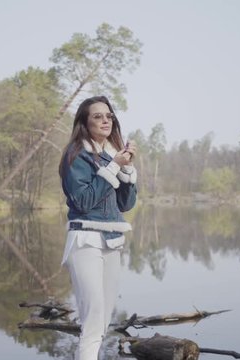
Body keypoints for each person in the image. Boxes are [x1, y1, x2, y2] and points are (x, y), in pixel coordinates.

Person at [58, 95, 138, 360]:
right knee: (92, 320)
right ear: (84, 122)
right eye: (97, 116)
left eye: (109, 116)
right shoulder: (76, 154)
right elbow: (82, 201)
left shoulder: (109, 156)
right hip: (86, 240)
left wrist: (125, 171)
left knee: (103, 322)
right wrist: (115, 166)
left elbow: (125, 204)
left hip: (112, 240)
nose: (106, 120)